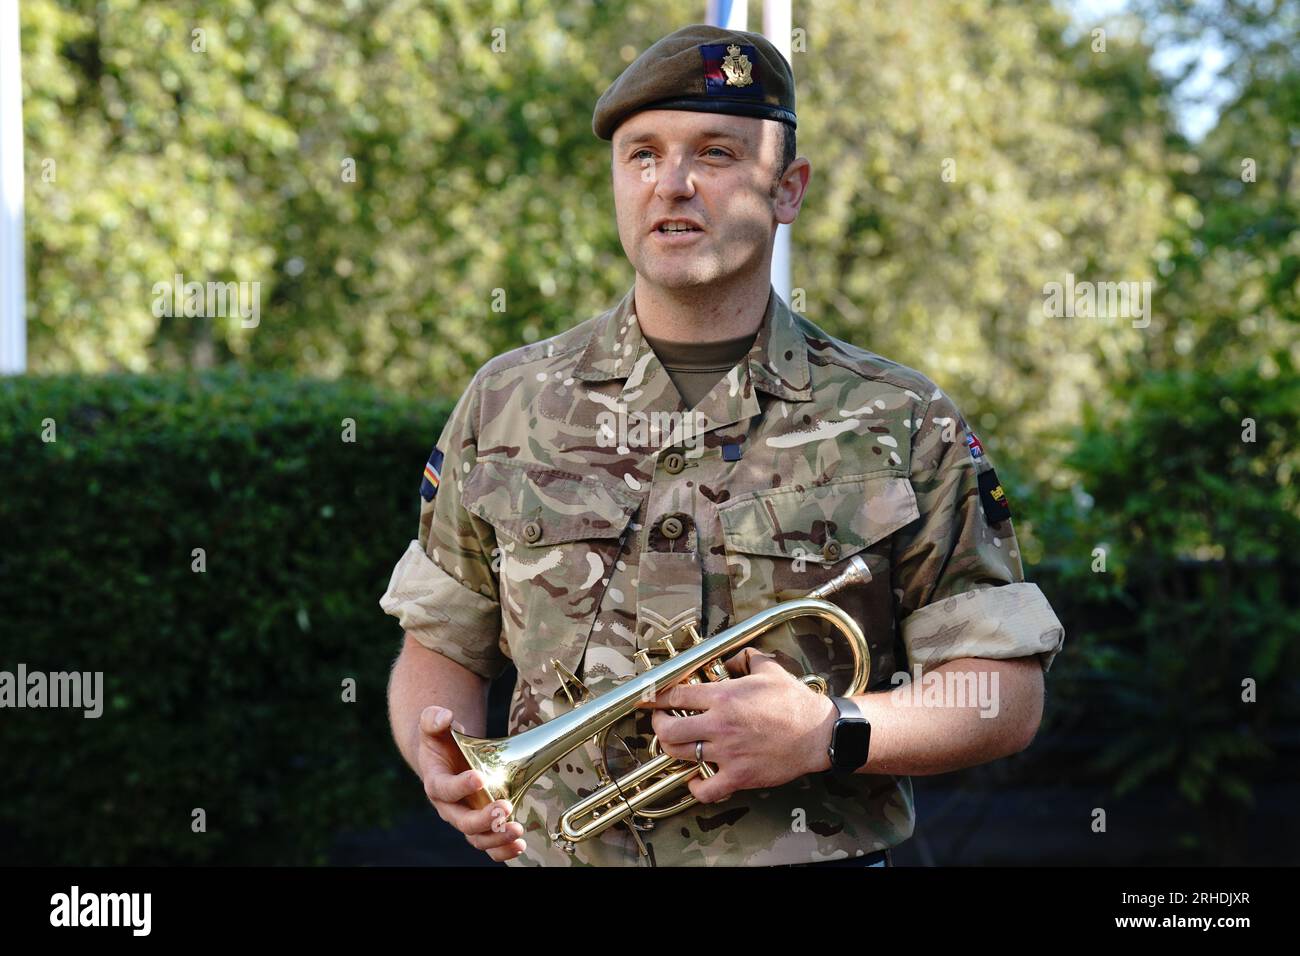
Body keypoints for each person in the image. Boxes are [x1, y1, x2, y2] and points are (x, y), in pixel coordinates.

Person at [381, 23, 1065, 867]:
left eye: (714, 154)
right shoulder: (505, 402)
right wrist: (440, 764)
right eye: (642, 155)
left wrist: (832, 732)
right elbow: (439, 646)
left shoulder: (901, 416)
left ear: (787, 190)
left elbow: (1004, 693)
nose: (672, 184)